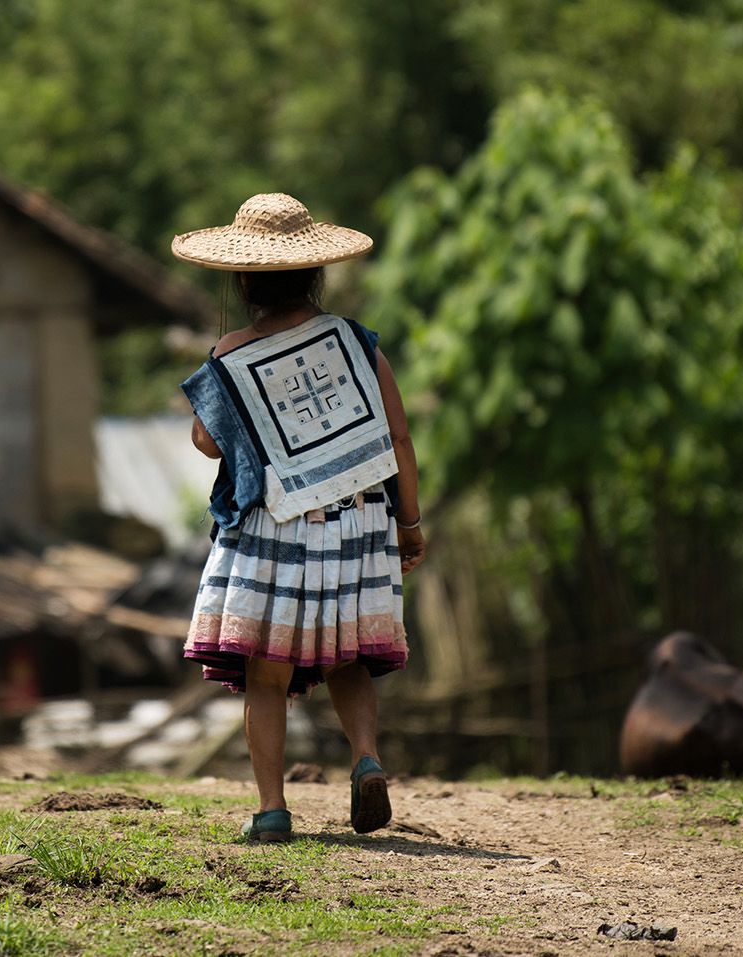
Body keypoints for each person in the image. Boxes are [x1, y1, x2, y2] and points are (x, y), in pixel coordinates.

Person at [173, 193, 426, 843]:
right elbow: (397, 440)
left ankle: (272, 808)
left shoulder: (232, 352)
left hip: (276, 525)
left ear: (246, 281)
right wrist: (410, 524)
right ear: (316, 274)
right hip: (359, 519)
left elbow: (207, 441)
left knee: (267, 669)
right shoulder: (356, 343)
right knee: (349, 657)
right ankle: (365, 756)